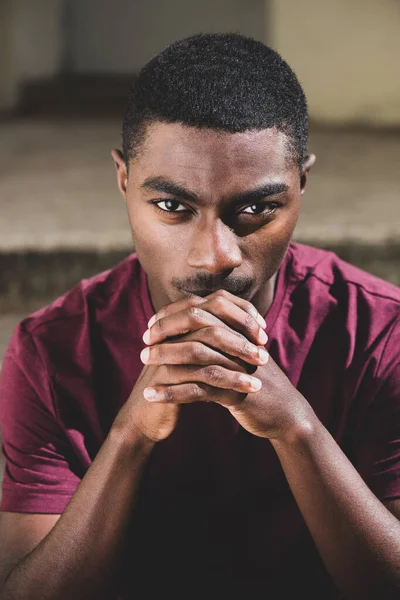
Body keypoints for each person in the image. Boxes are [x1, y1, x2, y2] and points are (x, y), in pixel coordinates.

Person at [0, 32, 399, 600]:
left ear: (302, 185)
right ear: (123, 181)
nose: (215, 255)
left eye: (257, 208)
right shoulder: (53, 350)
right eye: (172, 206)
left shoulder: (381, 334)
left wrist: (296, 428)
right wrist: (131, 433)